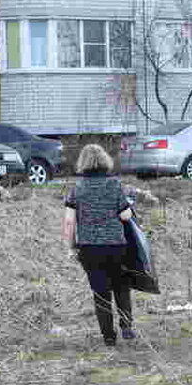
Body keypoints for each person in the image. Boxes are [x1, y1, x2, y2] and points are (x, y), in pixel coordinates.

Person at [63, 144, 136, 346]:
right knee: (121, 286)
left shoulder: (76, 189)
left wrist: (70, 247)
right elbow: (125, 215)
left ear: (83, 163)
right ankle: (126, 325)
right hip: (116, 245)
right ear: (105, 161)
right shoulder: (114, 185)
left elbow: (69, 222)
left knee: (100, 292)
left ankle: (109, 337)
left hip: (89, 248)